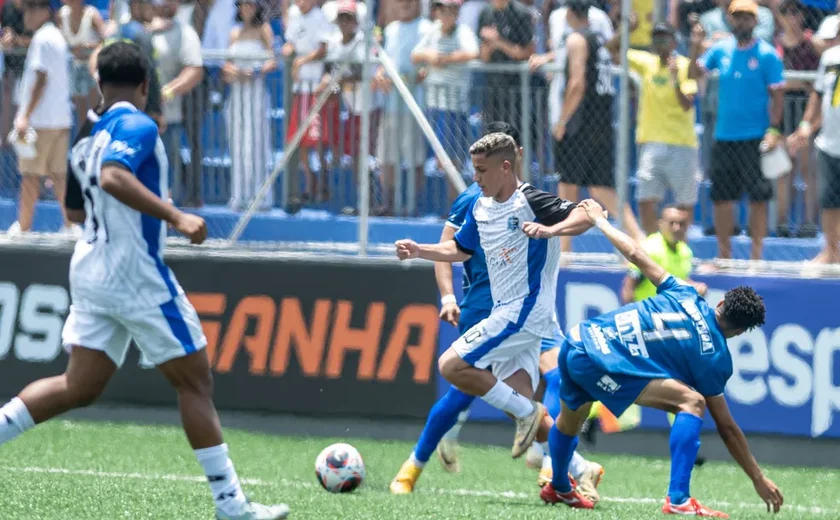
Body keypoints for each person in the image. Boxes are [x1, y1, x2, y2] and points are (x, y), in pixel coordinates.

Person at [0, 41, 289, 520]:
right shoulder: (136, 123)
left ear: (98, 84)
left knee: (80, 385)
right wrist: (176, 216)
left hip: (91, 268)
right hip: (133, 271)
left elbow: (73, 209)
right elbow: (113, 177)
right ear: (145, 84)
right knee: (195, 383)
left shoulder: (87, 136)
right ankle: (231, 506)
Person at [390, 123, 603, 503]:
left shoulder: (532, 200)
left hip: (523, 313)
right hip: (499, 312)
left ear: (507, 165)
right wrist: (420, 251)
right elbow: (459, 248)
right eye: (473, 170)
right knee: (520, 401)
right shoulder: (479, 203)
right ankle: (574, 474)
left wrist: (554, 231)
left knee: (451, 367)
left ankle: (416, 465)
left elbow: (591, 212)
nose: (475, 178)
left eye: (482, 170)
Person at [540, 199, 785, 517]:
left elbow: (636, 254)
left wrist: (601, 222)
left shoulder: (685, 291)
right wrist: (757, 476)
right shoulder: (716, 358)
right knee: (692, 403)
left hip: (578, 340)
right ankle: (679, 499)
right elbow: (726, 426)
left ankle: (559, 486)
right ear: (741, 332)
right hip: (604, 361)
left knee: (569, 421)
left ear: (721, 301)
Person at [688, 0, 784, 261]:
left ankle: (756, 258)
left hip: (755, 137)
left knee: (758, 199)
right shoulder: (721, 49)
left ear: (755, 21)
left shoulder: (766, 54)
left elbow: (777, 95)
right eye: (737, 17)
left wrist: (774, 129)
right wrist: (695, 45)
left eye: (747, 17)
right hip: (724, 135)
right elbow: (695, 72)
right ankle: (724, 256)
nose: (742, 21)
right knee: (722, 198)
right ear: (730, 20)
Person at [550, 0, 644, 253]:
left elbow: (577, 84)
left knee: (567, 187)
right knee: (601, 188)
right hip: (601, 121)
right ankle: (639, 239)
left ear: (569, 13)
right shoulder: (600, 41)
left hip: (580, 123)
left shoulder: (577, 40)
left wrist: (562, 121)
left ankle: (564, 251)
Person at [606, 23, 700, 235]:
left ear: (675, 42)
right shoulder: (646, 62)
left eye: (665, 38)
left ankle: (679, 247)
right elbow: (611, 49)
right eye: (656, 38)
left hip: (682, 143)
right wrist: (626, 28)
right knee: (645, 199)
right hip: (651, 143)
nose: (660, 42)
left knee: (685, 201)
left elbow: (687, 104)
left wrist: (675, 80)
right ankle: (653, 247)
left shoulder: (685, 65)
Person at [9, 0, 73, 236]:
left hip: (41, 122)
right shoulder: (56, 36)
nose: (26, 15)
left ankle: (23, 228)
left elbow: (41, 79)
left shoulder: (43, 39)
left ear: (44, 11)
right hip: (60, 120)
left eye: (29, 9)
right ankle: (71, 225)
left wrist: (24, 116)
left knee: (30, 176)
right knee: (59, 176)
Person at [788, 15, 840, 264]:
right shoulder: (829, 59)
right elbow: (819, 97)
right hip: (829, 143)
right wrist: (806, 126)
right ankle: (831, 252)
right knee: (829, 201)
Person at [223, 0, 277, 210]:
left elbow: (273, 60)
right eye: (242, 4)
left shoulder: (264, 29)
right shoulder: (234, 32)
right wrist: (237, 73)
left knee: (256, 142)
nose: (246, 8)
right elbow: (226, 64)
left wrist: (254, 72)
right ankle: (239, 194)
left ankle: (260, 195)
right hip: (236, 93)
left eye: (250, 4)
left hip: (255, 91)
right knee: (236, 142)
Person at [621, 205, 707, 305]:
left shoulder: (685, 251)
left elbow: (678, 279)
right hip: (646, 312)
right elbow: (629, 287)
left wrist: (694, 286)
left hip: (668, 314)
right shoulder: (649, 248)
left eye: (681, 224)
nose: (676, 228)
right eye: (672, 223)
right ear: (661, 224)